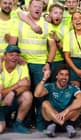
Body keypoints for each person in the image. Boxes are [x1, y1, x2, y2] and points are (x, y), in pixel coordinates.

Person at [9, 0, 57, 131]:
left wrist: (48, 63)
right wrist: (17, 58)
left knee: (40, 94)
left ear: (43, 9)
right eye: (35, 6)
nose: (37, 9)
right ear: (29, 8)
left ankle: (40, 123)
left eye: (40, 7)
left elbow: (53, 47)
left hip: (40, 65)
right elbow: (12, 44)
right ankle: (25, 122)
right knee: (25, 93)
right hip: (23, 65)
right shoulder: (18, 23)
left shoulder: (47, 25)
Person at [34, 64, 81, 138]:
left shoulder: (72, 87)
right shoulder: (50, 86)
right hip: (53, 125)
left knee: (77, 103)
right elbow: (37, 94)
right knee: (45, 103)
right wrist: (44, 79)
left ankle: (65, 124)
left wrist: (66, 111)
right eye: (61, 74)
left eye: (66, 75)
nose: (64, 77)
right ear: (56, 76)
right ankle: (65, 125)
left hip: (68, 119)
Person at [0, 44, 32, 134]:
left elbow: (26, 85)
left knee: (28, 95)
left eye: (17, 55)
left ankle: (18, 124)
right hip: (1, 103)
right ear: (5, 56)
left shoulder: (22, 65)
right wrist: (17, 84)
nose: (14, 57)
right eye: (11, 55)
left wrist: (13, 93)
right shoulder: (0, 67)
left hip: (10, 101)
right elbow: (1, 92)